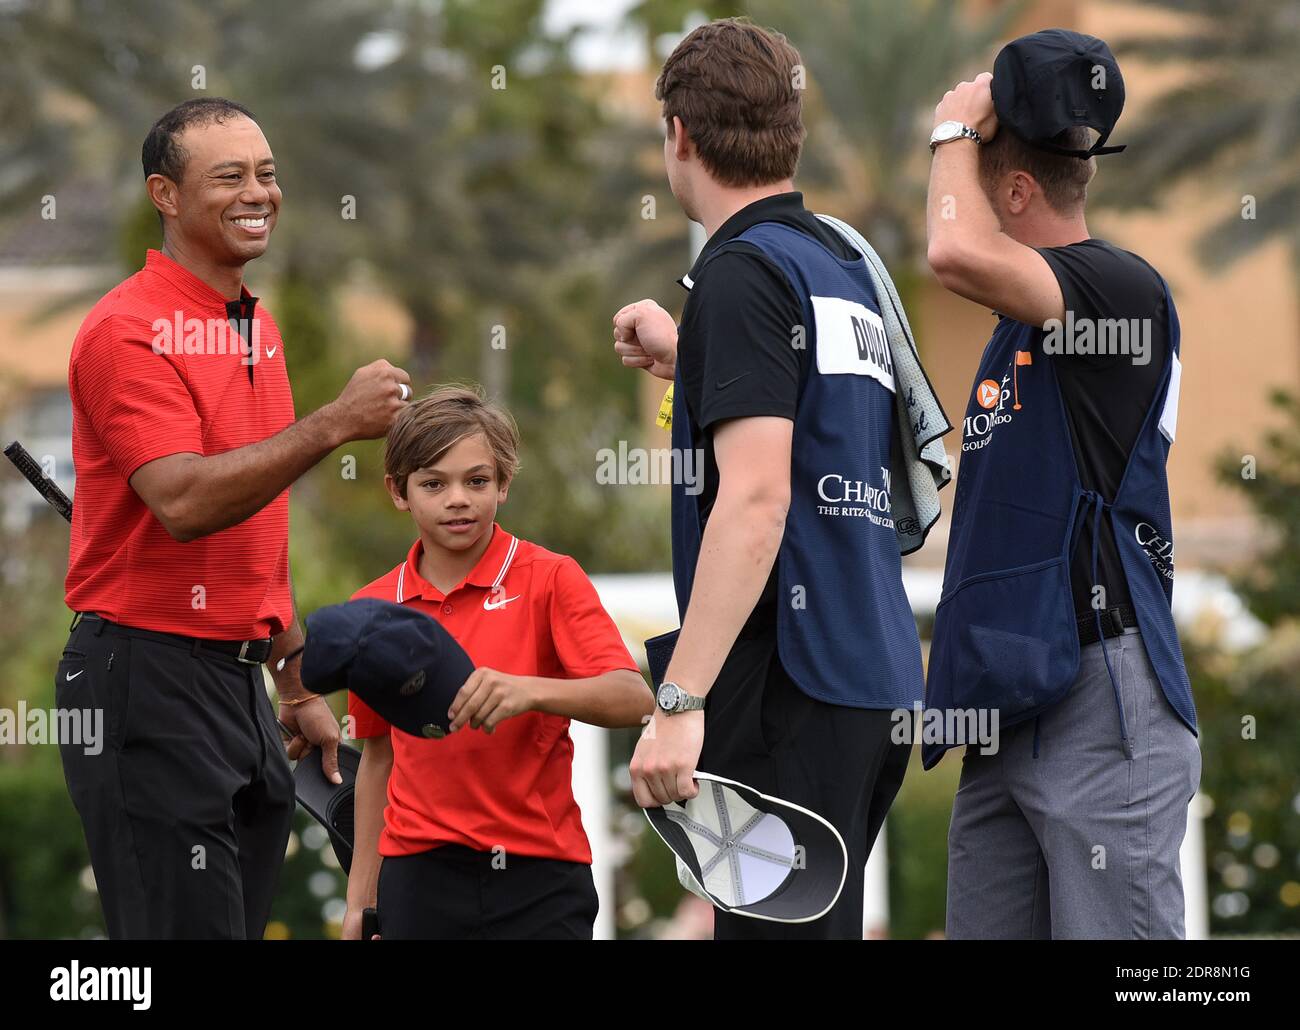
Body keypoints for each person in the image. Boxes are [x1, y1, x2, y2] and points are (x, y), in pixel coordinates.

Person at [56, 97, 413, 939]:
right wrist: (332, 423)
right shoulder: (126, 331)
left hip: (237, 683)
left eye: (267, 173)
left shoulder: (255, 323)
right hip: (144, 680)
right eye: (229, 177)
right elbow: (183, 502)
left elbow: (256, 523)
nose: (258, 193)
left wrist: (291, 682)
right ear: (166, 195)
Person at [612, 18, 921, 939]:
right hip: (866, 672)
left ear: (680, 136)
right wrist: (697, 359)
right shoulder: (839, 264)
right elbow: (823, 426)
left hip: (788, 682)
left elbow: (757, 498)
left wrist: (679, 704)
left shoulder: (742, 275)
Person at [923, 30, 1201, 938]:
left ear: (1011, 187)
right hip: (1011, 698)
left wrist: (951, 133)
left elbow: (953, 254)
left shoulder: (1119, 290)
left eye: (976, 176)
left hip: (1098, 688)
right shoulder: (1020, 326)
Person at [343, 385, 652, 940]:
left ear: (504, 483)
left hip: (541, 875)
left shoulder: (552, 577)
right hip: (419, 877)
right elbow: (376, 756)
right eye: (433, 484)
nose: (457, 498)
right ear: (399, 491)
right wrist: (359, 903)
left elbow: (633, 698)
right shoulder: (370, 610)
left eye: (477, 481)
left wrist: (531, 691)